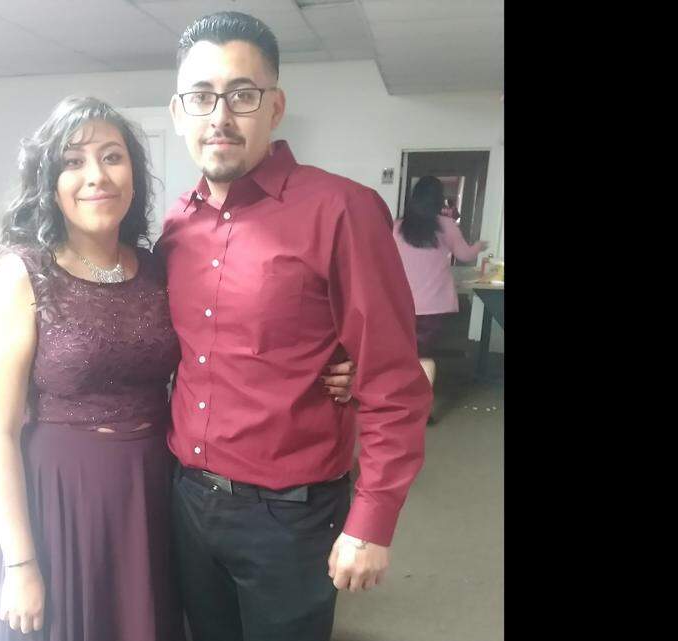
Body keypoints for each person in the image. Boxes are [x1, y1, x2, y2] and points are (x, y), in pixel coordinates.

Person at [156, 12, 430, 641]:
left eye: (241, 95)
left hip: (290, 513)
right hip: (187, 499)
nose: (219, 116)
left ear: (274, 108)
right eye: (201, 97)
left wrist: (372, 521)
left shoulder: (342, 209)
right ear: (178, 114)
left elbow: (394, 378)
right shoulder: (176, 226)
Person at [0, 96, 184, 641]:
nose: (96, 176)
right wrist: (20, 564)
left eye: (112, 157)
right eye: (73, 161)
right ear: (49, 180)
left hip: (153, 486)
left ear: (133, 175)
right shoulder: (23, 274)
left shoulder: (157, 267)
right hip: (65, 498)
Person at [394, 176, 488, 395]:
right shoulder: (445, 225)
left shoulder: (397, 226)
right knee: (424, 357)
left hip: (400, 303)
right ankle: (422, 409)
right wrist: (478, 247)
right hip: (434, 305)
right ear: (439, 200)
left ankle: (399, 399)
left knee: (401, 354)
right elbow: (464, 255)